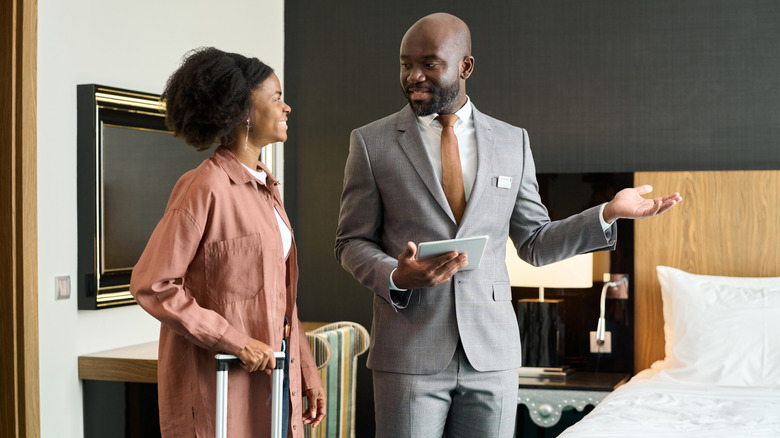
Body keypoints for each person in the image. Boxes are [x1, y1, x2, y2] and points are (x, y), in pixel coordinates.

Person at [334, 13, 681, 438]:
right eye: (406, 64)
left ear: (465, 67)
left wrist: (606, 214)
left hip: (492, 355)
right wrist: (395, 275)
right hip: (409, 353)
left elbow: (535, 242)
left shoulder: (512, 141)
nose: (413, 76)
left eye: (429, 63)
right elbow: (351, 241)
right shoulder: (371, 143)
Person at [130, 47, 325, 438]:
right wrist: (235, 342)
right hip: (218, 386)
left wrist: (307, 371)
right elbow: (153, 284)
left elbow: (283, 301)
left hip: (273, 384)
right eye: (277, 98)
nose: (287, 108)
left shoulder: (266, 190)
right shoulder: (203, 186)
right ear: (245, 112)